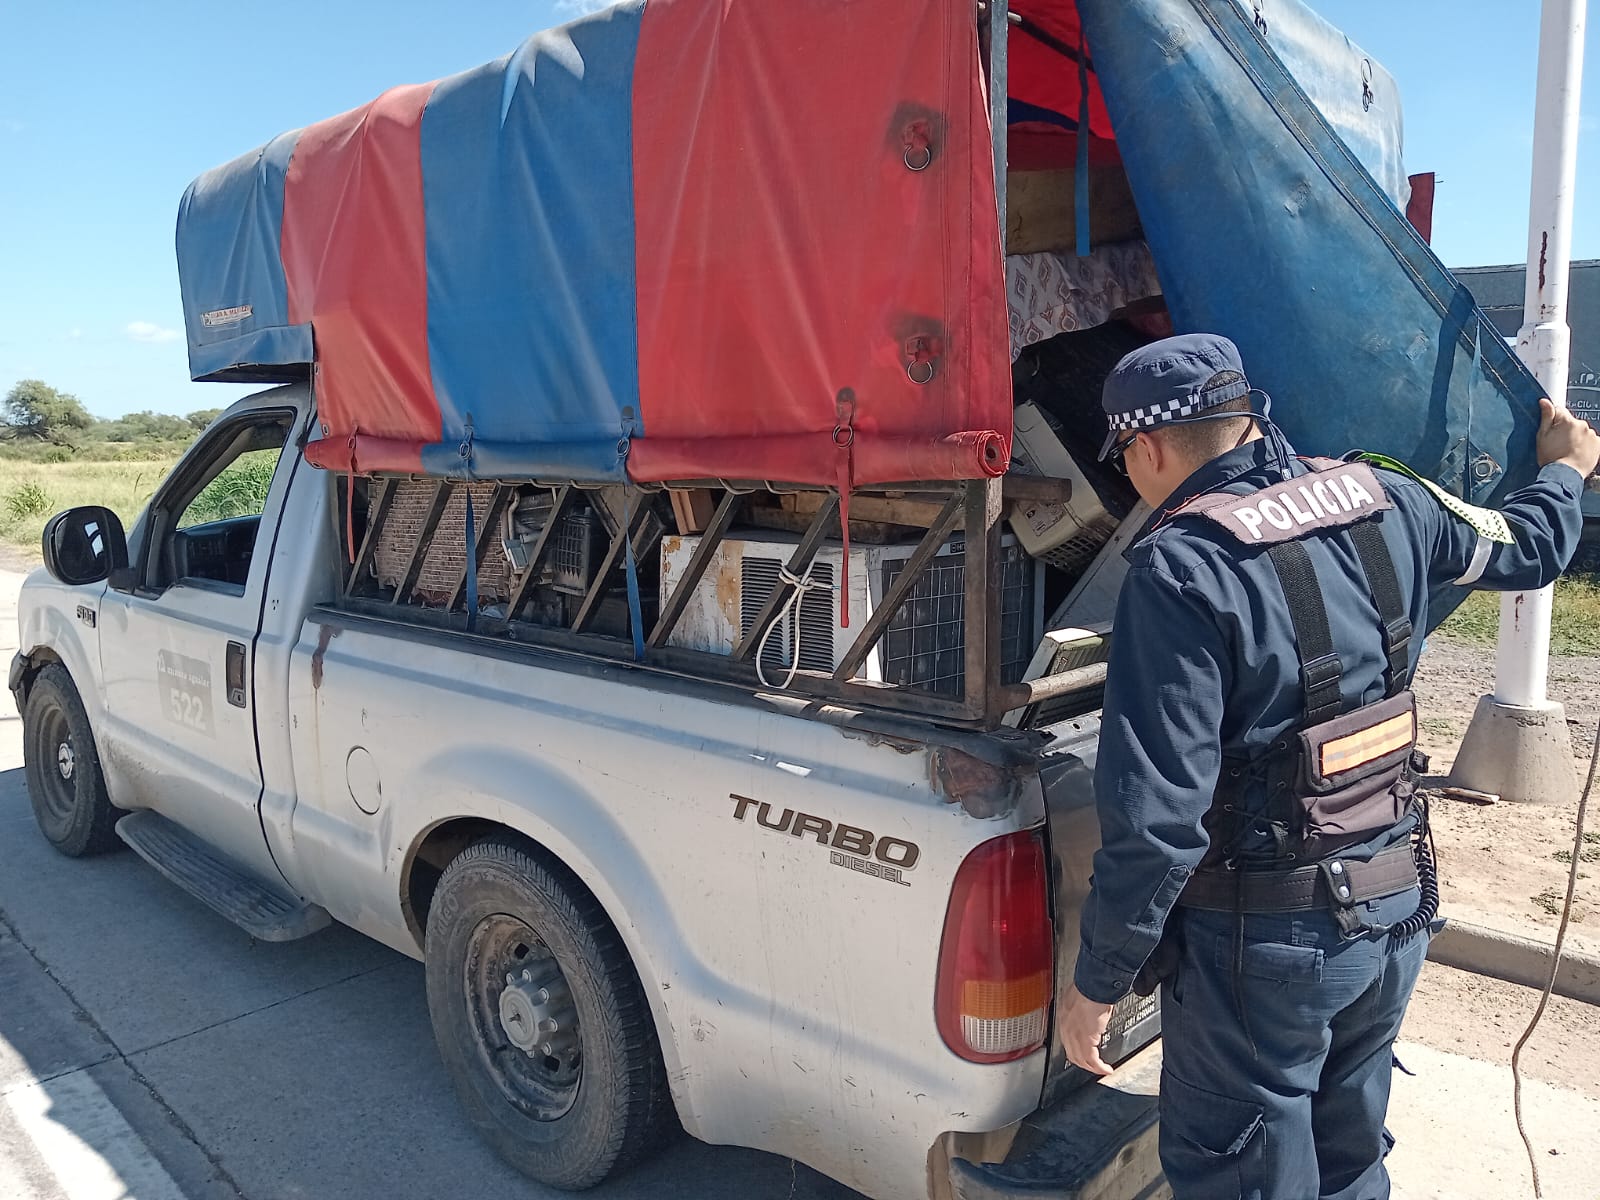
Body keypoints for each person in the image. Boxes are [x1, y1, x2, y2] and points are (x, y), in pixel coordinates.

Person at [1055, 333, 1600, 1200]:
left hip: (1264, 950)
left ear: (1148, 448)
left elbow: (1159, 820)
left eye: (1124, 460)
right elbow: (1523, 547)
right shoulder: (1388, 497)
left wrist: (1101, 980)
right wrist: (1566, 469)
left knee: (1245, 1177)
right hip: (1392, 914)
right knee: (1348, 1161)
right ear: (1248, 416)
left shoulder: (1179, 568)